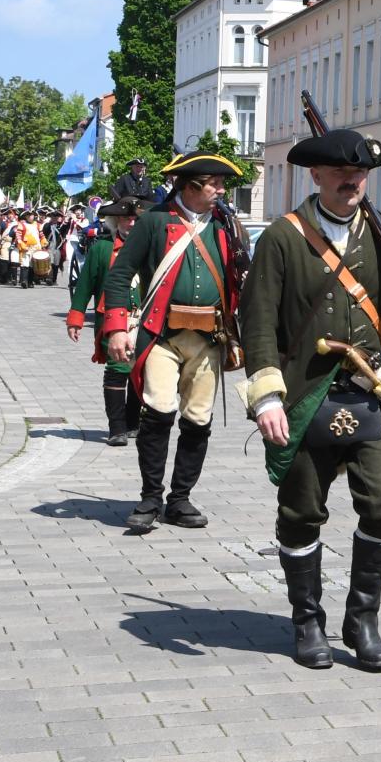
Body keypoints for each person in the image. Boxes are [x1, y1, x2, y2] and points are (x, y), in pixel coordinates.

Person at [241, 127, 381, 670]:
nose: (351, 181)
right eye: (340, 173)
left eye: (359, 174)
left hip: (373, 392)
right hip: (305, 394)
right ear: (315, 175)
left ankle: (362, 618)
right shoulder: (283, 237)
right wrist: (265, 398)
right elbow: (257, 321)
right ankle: (307, 620)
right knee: (303, 513)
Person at [104, 152, 249, 532]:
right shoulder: (155, 221)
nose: (221, 189)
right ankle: (150, 496)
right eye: (214, 183)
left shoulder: (226, 224)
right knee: (157, 412)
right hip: (162, 335)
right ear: (191, 185)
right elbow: (120, 276)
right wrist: (117, 328)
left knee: (198, 419)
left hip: (209, 337)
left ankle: (180, 499)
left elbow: (245, 279)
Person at [66, 197, 142, 446]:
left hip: (143, 318)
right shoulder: (101, 248)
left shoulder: (150, 246)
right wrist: (76, 317)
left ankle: (134, 423)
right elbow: (86, 282)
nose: (131, 223)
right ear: (115, 221)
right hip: (112, 317)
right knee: (118, 368)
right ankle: (117, 428)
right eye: (125, 218)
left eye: (135, 219)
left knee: (139, 371)